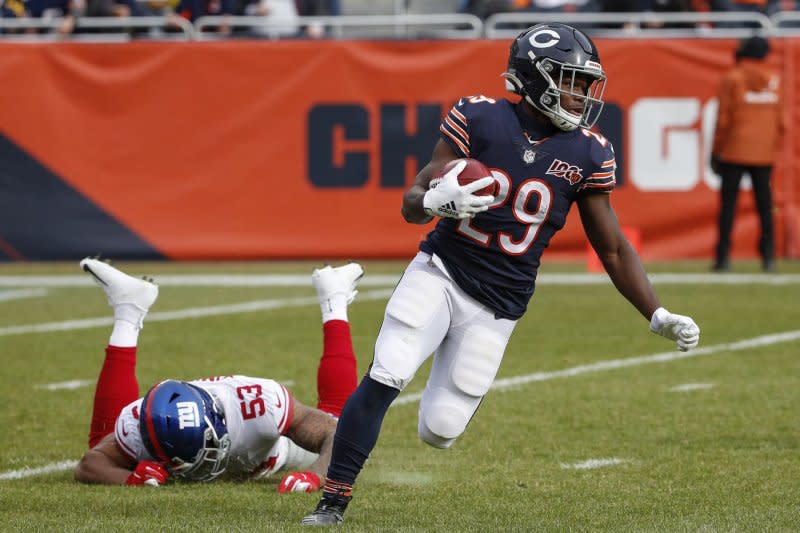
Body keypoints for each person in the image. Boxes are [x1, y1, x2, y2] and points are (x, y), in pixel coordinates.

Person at [301, 22, 701, 526]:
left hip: (500, 305)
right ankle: (332, 501)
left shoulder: (588, 150)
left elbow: (614, 248)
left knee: (440, 429)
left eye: (584, 83)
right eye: (571, 80)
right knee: (388, 372)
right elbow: (411, 204)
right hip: (442, 273)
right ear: (536, 78)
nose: (580, 94)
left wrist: (656, 312)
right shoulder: (480, 119)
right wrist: (433, 201)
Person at [74, 257, 364, 490]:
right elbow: (91, 463)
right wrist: (130, 480)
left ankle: (333, 298)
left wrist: (314, 477)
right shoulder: (140, 421)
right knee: (108, 452)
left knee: (342, 428)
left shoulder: (261, 406)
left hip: (271, 454)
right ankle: (129, 309)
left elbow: (337, 435)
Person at [710, 35, 784, 273]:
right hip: (764, 154)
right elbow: (783, 122)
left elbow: (723, 120)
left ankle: (723, 257)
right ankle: (769, 256)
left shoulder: (732, 78)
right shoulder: (774, 79)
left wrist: (716, 150)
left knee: (728, 207)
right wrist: (771, 147)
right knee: (765, 207)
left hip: (733, 150)